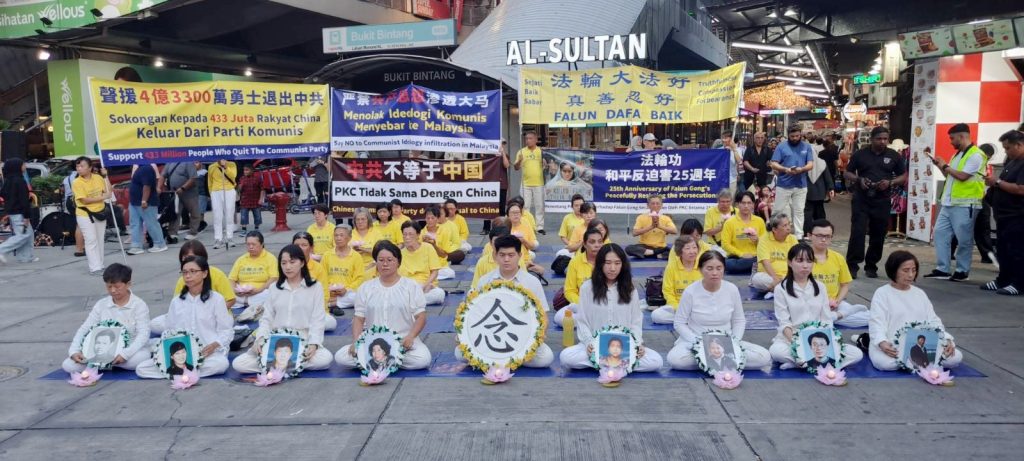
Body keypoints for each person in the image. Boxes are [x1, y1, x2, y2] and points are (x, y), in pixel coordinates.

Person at [560, 243, 664, 372]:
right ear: (600, 264)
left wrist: (637, 344)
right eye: (608, 263)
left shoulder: (629, 289)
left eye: (617, 263)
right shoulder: (587, 288)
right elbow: (583, 321)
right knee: (566, 357)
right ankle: (617, 364)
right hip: (596, 345)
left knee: (656, 361)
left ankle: (606, 363)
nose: (612, 268)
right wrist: (589, 343)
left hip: (623, 346)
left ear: (623, 265)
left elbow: (636, 322)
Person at [232, 245, 334, 373]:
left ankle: (276, 365)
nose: (288, 267)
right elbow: (267, 319)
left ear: (302, 263)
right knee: (239, 364)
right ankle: (292, 364)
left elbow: (318, 320)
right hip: (276, 341)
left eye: (292, 262)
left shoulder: (314, 287)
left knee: (325, 359)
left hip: (303, 340)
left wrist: (314, 344)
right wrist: (260, 339)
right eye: (284, 263)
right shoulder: (275, 288)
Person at [666, 251, 771, 370]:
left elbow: (739, 320)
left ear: (724, 269)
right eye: (709, 268)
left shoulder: (732, 289)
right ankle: (719, 361)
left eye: (719, 268)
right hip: (696, 340)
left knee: (764, 357)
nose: (714, 273)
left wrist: (734, 342)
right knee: (675, 359)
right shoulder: (690, 291)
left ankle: (709, 363)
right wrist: (699, 343)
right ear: (700, 269)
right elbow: (679, 323)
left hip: (726, 341)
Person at [460, 235, 553, 368]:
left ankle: (501, 360)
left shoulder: (532, 282)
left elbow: (543, 315)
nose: (506, 259)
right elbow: (476, 314)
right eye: (502, 255)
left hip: (522, 335)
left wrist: (538, 337)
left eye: (511, 255)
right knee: (460, 353)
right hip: (492, 334)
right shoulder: (485, 281)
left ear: (520, 255)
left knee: (546, 358)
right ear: (495, 256)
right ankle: (508, 359)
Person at [336, 241, 432, 370]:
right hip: (374, 343)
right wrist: (355, 341)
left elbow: (421, 316)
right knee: (341, 357)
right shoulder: (366, 287)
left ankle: (378, 362)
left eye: (390, 260)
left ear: (398, 262)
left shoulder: (411, 286)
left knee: (423, 359)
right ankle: (389, 361)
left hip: (403, 342)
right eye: (381, 260)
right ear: (376, 262)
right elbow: (359, 318)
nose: (385, 264)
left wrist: (410, 337)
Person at [768, 243, 863, 369]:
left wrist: (828, 342)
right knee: (776, 352)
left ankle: (800, 363)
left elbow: (826, 319)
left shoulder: (820, 286)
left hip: (819, 340)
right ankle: (819, 363)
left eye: (809, 261)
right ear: (790, 263)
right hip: (793, 338)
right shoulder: (781, 289)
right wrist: (798, 344)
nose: (805, 265)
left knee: (857, 354)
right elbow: (784, 322)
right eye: (800, 260)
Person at [137, 256, 234, 378]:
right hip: (181, 355)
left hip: (207, 353)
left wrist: (215, 344)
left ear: (204, 273)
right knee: (141, 368)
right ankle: (187, 372)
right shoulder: (177, 301)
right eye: (185, 272)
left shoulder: (216, 299)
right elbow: (169, 331)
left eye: (193, 271)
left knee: (221, 365)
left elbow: (226, 330)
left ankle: (179, 373)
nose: (187, 276)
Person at [868, 251, 962, 370]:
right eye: (906, 270)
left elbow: (933, 320)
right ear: (893, 270)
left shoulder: (919, 293)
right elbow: (877, 322)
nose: (911, 275)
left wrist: (946, 339)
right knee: (885, 364)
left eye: (914, 270)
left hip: (923, 345)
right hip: (892, 343)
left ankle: (912, 362)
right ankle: (867, 342)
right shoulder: (882, 293)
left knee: (955, 358)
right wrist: (882, 342)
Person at [923, 124, 988, 282]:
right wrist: (940, 166)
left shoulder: (976, 155)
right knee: (939, 233)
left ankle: (962, 270)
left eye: (952, 138)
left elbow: (963, 176)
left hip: (966, 203)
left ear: (962, 136)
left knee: (964, 238)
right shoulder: (957, 155)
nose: (951, 142)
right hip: (949, 202)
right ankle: (942, 268)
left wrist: (945, 165)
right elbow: (950, 176)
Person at [63, 264, 150, 373]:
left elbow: (143, 334)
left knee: (141, 358)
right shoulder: (101, 304)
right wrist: (74, 351)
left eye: (117, 287)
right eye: (109, 287)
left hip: (127, 352)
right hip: (100, 352)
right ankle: (106, 364)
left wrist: (125, 354)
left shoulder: (139, 305)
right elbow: (84, 328)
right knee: (68, 365)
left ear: (128, 284)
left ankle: (107, 365)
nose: (113, 290)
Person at [845, 126, 906, 279]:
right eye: (879, 139)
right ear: (872, 139)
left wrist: (890, 182)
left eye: (885, 139)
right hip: (861, 198)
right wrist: (859, 179)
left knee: (878, 234)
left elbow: (903, 176)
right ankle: (852, 265)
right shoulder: (860, 154)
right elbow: (847, 172)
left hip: (882, 199)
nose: (882, 142)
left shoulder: (894, 156)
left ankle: (871, 265)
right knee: (858, 232)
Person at [152, 241, 236, 333]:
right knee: (154, 324)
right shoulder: (182, 280)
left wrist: (209, 313)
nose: (187, 262)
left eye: (191, 258)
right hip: (188, 316)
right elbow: (177, 306)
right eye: (185, 259)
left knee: (220, 325)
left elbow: (231, 300)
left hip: (214, 316)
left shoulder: (217, 275)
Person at [982, 130, 1024, 296]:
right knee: (1004, 250)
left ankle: (1020, 283)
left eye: (1007, 148)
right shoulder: (1013, 161)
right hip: (1004, 216)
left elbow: (1021, 189)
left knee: (1017, 251)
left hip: (1018, 216)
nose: (1005, 151)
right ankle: (1004, 279)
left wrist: (997, 182)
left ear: (1018, 145)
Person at [807, 220, 868, 327]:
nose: (824, 239)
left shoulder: (838, 257)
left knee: (871, 318)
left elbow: (845, 285)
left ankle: (834, 316)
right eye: (819, 236)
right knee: (809, 319)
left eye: (828, 236)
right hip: (810, 304)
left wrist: (837, 302)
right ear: (809, 236)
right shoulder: (802, 258)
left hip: (834, 304)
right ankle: (836, 316)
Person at [769, 125, 814, 239]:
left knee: (799, 211)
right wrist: (785, 169)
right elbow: (773, 163)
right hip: (784, 184)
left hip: (801, 184)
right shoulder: (781, 146)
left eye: (797, 136)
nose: (795, 138)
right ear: (788, 135)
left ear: (801, 134)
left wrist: (802, 169)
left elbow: (810, 164)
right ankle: (772, 232)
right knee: (778, 209)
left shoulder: (807, 146)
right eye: (792, 136)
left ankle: (799, 236)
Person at [555, 227, 603, 326]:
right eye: (592, 242)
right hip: (581, 305)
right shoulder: (575, 262)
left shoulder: (607, 260)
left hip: (604, 304)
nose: (597, 245)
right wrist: (583, 303)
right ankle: (594, 322)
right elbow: (569, 291)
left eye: (599, 242)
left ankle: (593, 321)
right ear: (584, 244)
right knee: (559, 317)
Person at [72, 157, 112, 275]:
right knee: (91, 240)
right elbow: (84, 200)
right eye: (77, 166)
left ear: (90, 168)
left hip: (99, 212)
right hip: (85, 214)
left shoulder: (98, 178)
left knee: (100, 239)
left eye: (82, 166)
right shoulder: (77, 182)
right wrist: (102, 197)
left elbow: (108, 191)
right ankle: (94, 268)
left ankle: (100, 264)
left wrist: (105, 176)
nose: (79, 169)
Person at [653, 235, 705, 324]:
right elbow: (667, 291)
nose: (692, 251)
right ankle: (692, 320)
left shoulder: (703, 266)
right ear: (680, 251)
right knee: (656, 315)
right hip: (677, 306)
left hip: (698, 307)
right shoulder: (671, 267)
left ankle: (689, 319)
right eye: (688, 248)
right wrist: (678, 308)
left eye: (694, 248)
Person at [292, 232, 336, 331]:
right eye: (296, 245)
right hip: (292, 309)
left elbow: (324, 294)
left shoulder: (318, 268)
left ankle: (299, 327)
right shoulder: (287, 266)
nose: (300, 248)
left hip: (314, 311)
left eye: (304, 245)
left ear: (311, 248)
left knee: (331, 323)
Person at [398, 221, 446, 305]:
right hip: (408, 287)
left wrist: (426, 285)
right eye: (405, 234)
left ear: (418, 235)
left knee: (439, 294)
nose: (407, 237)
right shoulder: (400, 253)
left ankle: (410, 302)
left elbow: (435, 271)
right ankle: (414, 301)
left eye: (410, 234)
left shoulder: (428, 248)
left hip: (425, 286)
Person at [751, 213, 799, 297]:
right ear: (774, 229)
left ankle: (776, 289)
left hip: (788, 275)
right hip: (769, 276)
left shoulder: (793, 239)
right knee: (757, 279)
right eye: (784, 225)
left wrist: (788, 277)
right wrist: (776, 278)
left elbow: (797, 260)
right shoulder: (764, 239)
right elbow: (766, 262)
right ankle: (785, 288)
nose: (788, 228)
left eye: (789, 224)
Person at [228, 231, 278, 309]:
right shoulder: (241, 259)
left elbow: (274, 278)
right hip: (241, 294)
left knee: (270, 294)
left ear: (262, 244)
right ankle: (247, 302)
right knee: (222, 294)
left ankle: (245, 303)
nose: (250, 247)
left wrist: (258, 290)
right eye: (248, 244)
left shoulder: (270, 258)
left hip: (261, 292)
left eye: (253, 244)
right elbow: (231, 279)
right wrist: (235, 290)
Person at [0, 159, 37, 264]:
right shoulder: (20, 181)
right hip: (20, 212)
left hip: (13, 211)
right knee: (23, 235)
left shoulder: (9, 180)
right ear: (17, 167)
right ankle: (2, 249)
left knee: (28, 234)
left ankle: (25, 257)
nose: (25, 166)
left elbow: (3, 194)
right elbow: (24, 200)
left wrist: (11, 201)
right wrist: (27, 216)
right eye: (23, 164)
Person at [126, 163, 167, 255]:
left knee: (151, 223)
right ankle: (136, 245)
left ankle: (160, 244)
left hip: (145, 202)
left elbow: (147, 186)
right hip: (134, 202)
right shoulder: (140, 168)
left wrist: (144, 200)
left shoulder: (146, 168)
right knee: (135, 224)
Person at [720, 191, 766, 274]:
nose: (746, 206)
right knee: (729, 264)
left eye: (749, 203)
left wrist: (758, 240)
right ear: (737, 204)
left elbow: (766, 244)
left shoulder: (759, 221)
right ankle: (753, 267)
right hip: (736, 258)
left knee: (763, 260)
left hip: (755, 257)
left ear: (753, 204)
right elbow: (725, 244)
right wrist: (741, 254)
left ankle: (752, 266)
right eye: (743, 203)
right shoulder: (730, 222)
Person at [323, 225, 365, 311]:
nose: (338, 238)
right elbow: (321, 276)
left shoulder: (356, 256)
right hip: (329, 291)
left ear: (349, 238)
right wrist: (328, 289)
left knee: (359, 297)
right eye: (336, 235)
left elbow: (359, 279)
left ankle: (332, 303)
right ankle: (335, 302)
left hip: (348, 293)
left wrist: (346, 290)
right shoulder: (327, 255)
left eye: (341, 235)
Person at [625, 195, 677, 259]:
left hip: (660, 247)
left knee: (676, 253)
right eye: (653, 203)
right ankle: (656, 254)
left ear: (661, 205)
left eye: (657, 203)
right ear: (648, 205)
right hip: (644, 246)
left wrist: (659, 226)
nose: (655, 206)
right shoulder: (641, 217)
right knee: (629, 249)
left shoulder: (666, 218)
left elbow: (675, 231)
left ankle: (648, 254)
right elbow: (634, 233)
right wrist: (651, 227)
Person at [514, 131, 546, 234]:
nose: (528, 140)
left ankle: (539, 227)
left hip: (539, 183)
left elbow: (547, 166)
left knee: (539, 206)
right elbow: (516, 167)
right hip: (525, 184)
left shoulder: (541, 151)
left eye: (530, 138)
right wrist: (519, 161)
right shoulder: (521, 151)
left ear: (536, 140)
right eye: (526, 139)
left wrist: (545, 164)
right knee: (525, 206)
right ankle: (527, 225)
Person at [162, 160, 201, 240]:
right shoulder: (169, 162)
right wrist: (158, 187)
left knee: (194, 212)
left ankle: (193, 232)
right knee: (175, 212)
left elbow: (193, 178)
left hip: (190, 193)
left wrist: (183, 188)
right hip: (175, 193)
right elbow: (163, 175)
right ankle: (172, 232)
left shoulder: (188, 162)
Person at [208, 159, 237, 249]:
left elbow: (233, 176)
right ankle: (218, 238)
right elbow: (210, 182)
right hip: (216, 191)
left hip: (229, 190)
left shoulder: (231, 164)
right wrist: (211, 193)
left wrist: (225, 167)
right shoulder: (211, 166)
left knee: (229, 214)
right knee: (217, 216)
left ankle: (229, 237)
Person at [803, 151, 834, 236]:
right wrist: (831, 188)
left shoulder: (804, 163)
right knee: (820, 213)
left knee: (807, 213)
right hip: (820, 192)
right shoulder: (822, 162)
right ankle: (822, 230)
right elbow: (827, 177)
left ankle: (807, 232)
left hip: (807, 192)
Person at [60, 168, 86, 256]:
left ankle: (77, 244)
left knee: (75, 221)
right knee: (83, 223)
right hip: (78, 199)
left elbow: (62, 190)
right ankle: (82, 246)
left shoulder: (65, 179)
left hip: (69, 200)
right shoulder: (80, 177)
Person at [352, 207, 384, 274]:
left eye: (363, 219)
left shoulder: (376, 233)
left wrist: (364, 250)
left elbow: (382, 252)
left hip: (373, 266)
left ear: (368, 220)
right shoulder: (350, 234)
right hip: (353, 267)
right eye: (357, 219)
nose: (360, 222)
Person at [237, 164, 264, 234]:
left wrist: (261, 199)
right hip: (245, 200)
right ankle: (244, 229)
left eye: (247, 170)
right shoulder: (242, 178)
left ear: (252, 170)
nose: (245, 172)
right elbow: (238, 190)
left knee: (257, 215)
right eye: (244, 170)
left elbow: (262, 189)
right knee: (243, 216)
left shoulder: (257, 178)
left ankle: (257, 228)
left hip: (255, 200)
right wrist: (240, 186)